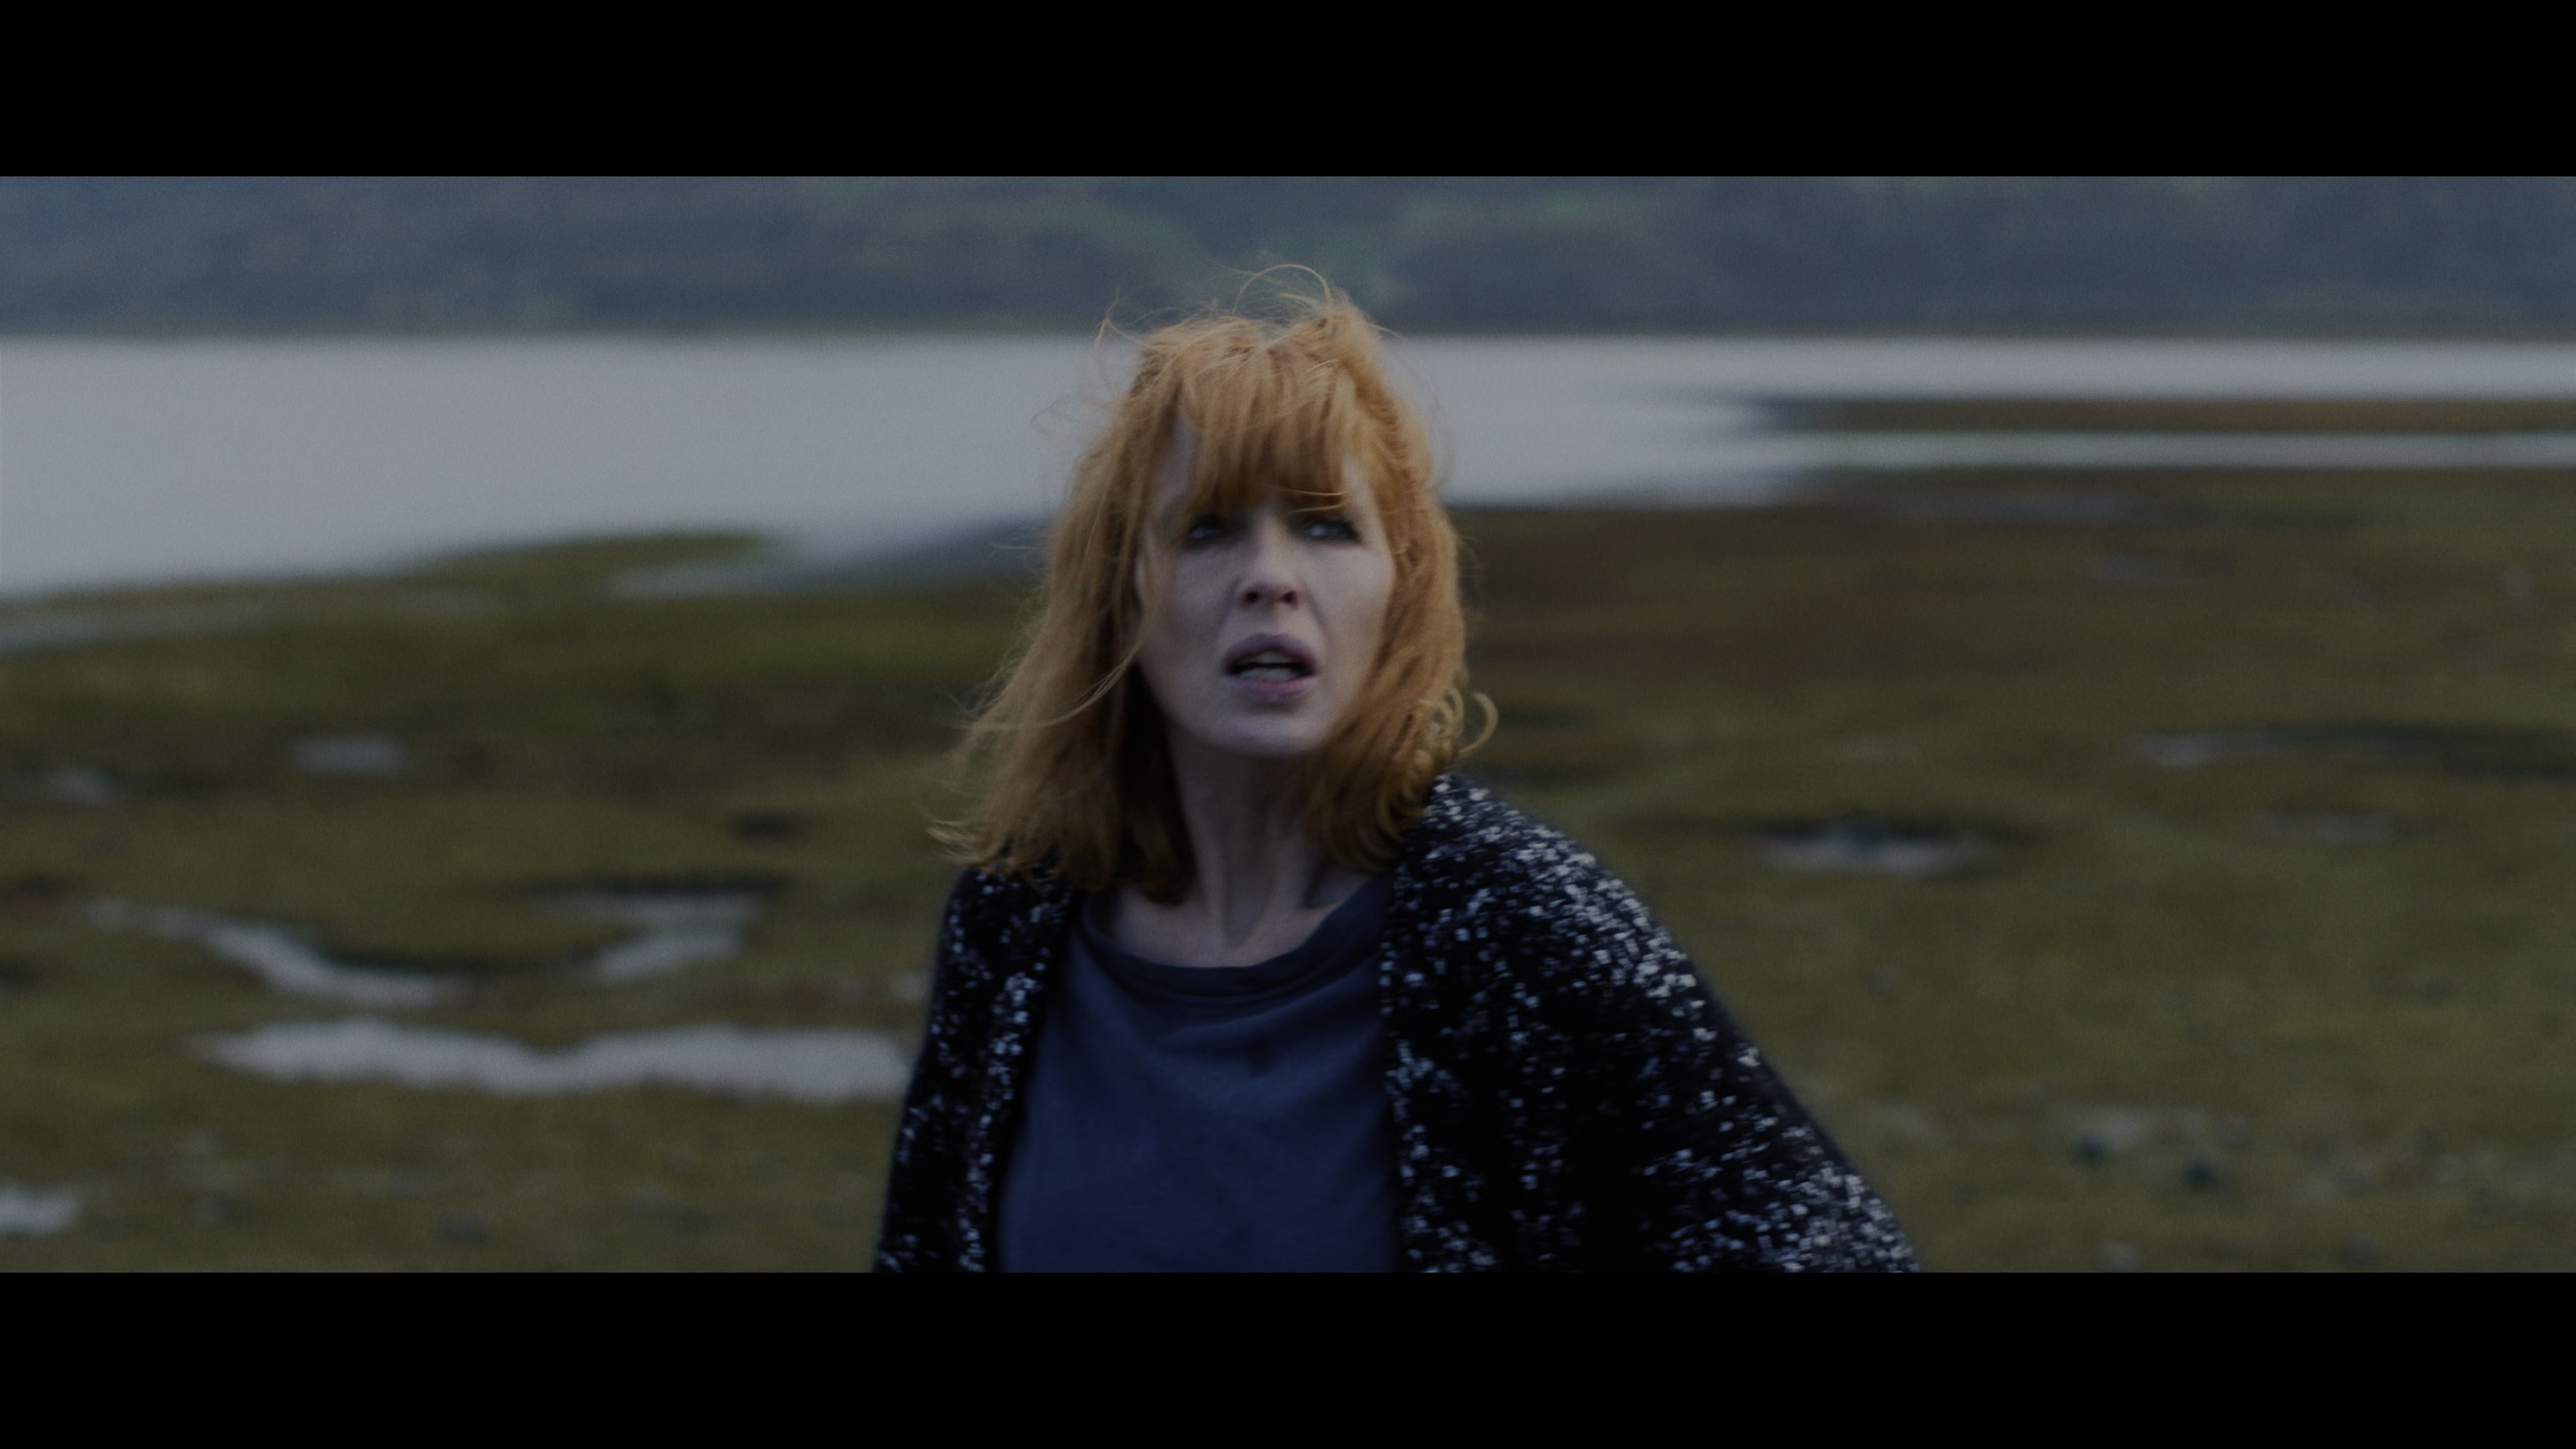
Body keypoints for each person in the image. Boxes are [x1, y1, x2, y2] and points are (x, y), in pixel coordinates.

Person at [875, 286, 1917, 1271]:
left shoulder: (1521, 919)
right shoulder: (1016, 918)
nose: (1272, 577)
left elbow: (1825, 1244)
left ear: (1399, 589)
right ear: (1117, 597)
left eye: (1327, 525)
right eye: (1207, 529)